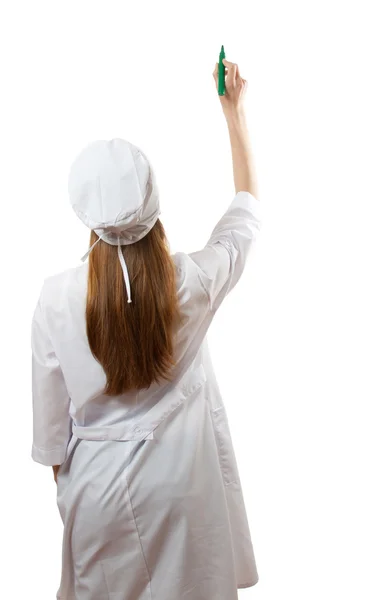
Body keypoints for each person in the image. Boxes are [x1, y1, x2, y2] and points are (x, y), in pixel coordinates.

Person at [31, 57, 262, 600]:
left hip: (97, 497)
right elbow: (246, 213)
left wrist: (77, 492)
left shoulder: (57, 297)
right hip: (186, 496)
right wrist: (235, 113)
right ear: (153, 204)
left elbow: (51, 441)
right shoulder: (192, 283)